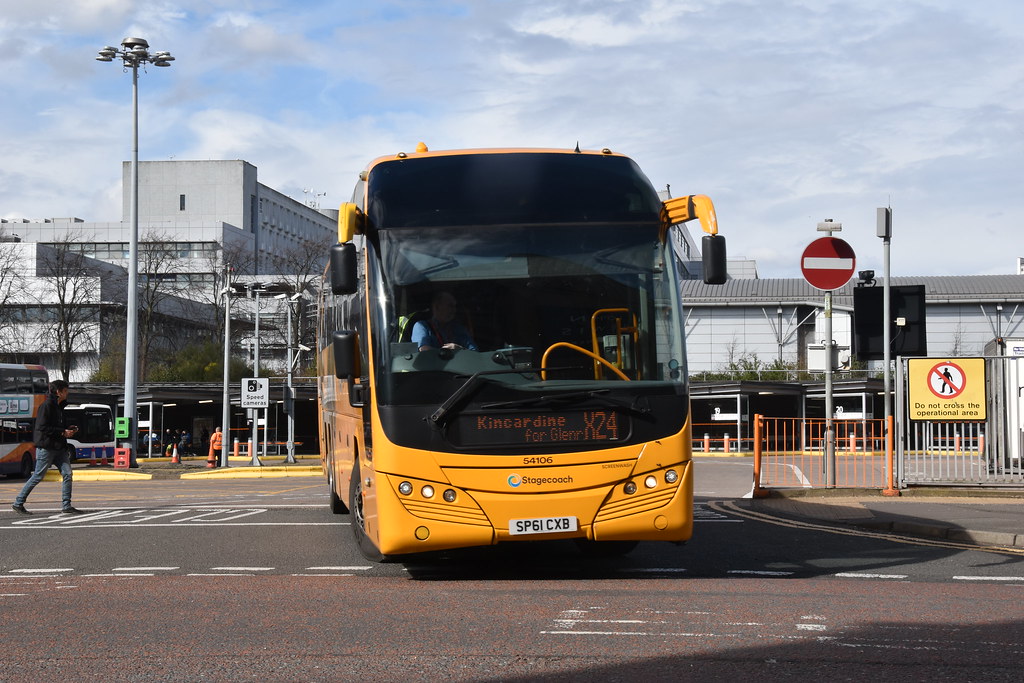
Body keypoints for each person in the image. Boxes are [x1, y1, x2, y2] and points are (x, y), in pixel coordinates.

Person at [12, 379, 82, 515]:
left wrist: (68, 429)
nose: (67, 394)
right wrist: (62, 432)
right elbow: (42, 427)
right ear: (58, 392)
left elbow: (57, 426)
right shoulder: (47, 406)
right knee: (38, 476)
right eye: (66, 391)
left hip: (60, 447)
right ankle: (18, 503)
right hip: (47, 447)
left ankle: (66, 505)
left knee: (67, 474)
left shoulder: (60, 406)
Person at [411, 291, 477, 351]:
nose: (454, 310)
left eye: (455, 306)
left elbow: (475, 353)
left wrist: (460, 350)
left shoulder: (459, 329)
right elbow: (424, 350)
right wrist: (448, 353)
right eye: (450, 306)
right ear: (436, 307)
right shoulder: (422, 326)